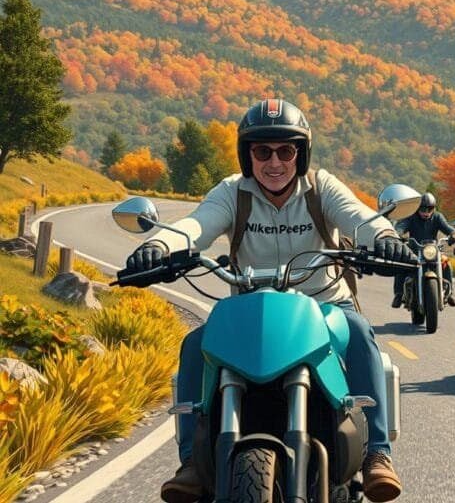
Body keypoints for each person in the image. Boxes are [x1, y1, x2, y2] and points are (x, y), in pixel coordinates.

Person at [124, 99, 413, 503]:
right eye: (262, 151)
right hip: (249, 311)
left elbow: (358, 217)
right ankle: (191, 461)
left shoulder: (322, 187)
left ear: (301, 154)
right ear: (248, 156)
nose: (274, 162)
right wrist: (158, 245)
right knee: (194, 345)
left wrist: (384, 239)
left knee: (361, 333)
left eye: (285, 150)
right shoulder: (232, 193)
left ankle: (377, 454)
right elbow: (196, 226)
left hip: (323, 306)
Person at [391, 192, 455, 308]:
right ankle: (398, 293)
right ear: (418, 208)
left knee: (446, 263)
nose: (426, 212)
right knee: (401, 263)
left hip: (432, 251)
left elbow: (448, 228)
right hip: (413, 251)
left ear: (434, 208)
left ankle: (450, 293)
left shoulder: (437, 217)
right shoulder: (411, 216)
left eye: (429, 209)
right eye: (423, 209)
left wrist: (454, 234)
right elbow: (401, 227)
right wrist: (399, 233)